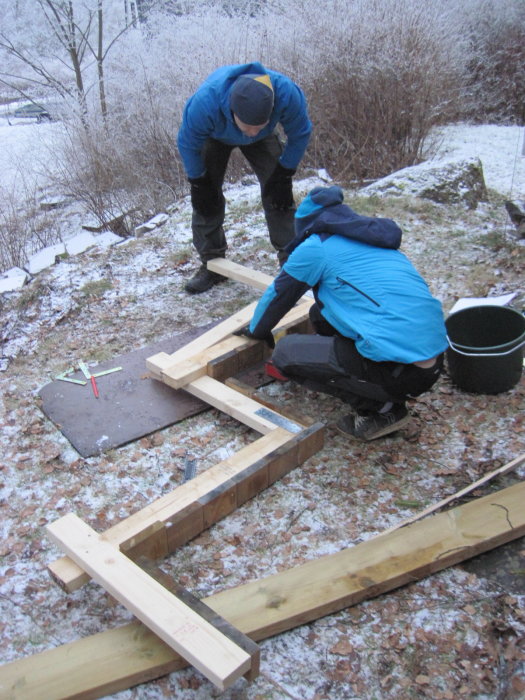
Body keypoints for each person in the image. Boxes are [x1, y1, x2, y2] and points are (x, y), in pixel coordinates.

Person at [237, 185, 448, 441]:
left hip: (403, 374)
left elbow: (279, 296)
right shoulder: (370, 239)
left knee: (286, 354)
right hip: (433, 357)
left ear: (306, 225)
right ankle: (358, 375)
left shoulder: (315, 247)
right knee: (319, 314)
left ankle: (381, 411)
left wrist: (256, 330)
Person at [177, 62, 312, 293]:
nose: (251, 133)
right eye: (248, 126)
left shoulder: (286, 93)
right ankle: (212, 264)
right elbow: (187, 143)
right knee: (206, 199)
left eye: (258, 125)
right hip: (215, 136)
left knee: (278, 194)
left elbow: (300, 132)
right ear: (232, 111)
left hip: (266, 139)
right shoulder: (205, 104)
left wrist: (285, 171)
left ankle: (291, 263)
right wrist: (198, 182)